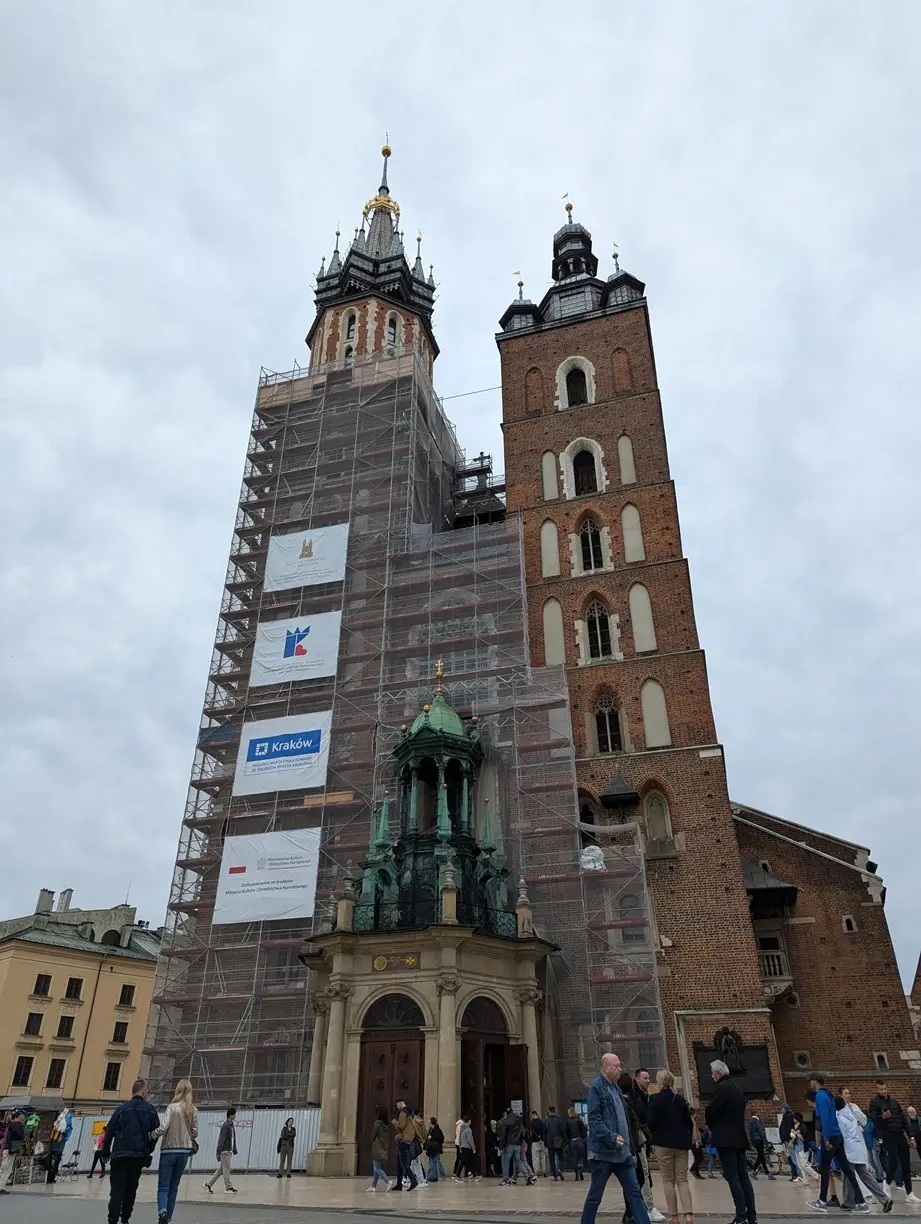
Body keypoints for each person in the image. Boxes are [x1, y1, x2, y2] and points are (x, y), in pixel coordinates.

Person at [580, 1052, 651, 1224]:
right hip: (604, 1153)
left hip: (623, 1153)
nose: (620, 1069)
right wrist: (610, 1137)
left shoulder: (616, 1088)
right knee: (595, 1196)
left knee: (635, 1192)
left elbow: (624, 1119)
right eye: (616, 1065)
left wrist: (630, 1147)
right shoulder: (596, 1088)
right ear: (606, 1067)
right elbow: (594, 1120)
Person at [705, 1059, 758, 1224]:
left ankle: (741, 1216)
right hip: (739, 1138)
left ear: (718, 1073)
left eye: (713, 1073)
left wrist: (713, 1126)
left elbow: (710, 1110)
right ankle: (752, 1216)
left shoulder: (721, 1088)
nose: (712, 1076)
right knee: (744, 1178)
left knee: (732, 1178)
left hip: (726, 1140)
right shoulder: (736, 1087)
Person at [102, 1077, 160, 1224]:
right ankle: (125, 1219)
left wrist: (106, 1151)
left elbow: (109, 1132)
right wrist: (149, 1148)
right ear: (144, 1092)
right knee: (131, 1189)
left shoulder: (121, 1109)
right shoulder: (150, 1110)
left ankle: (112, 1219)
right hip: (137, 1156)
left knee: (116, 1190)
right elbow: (156, 1133)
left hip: (119, 1155)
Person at [807, 1073, 868, 1213]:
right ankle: (861, 1202)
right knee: (847, 1170)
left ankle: (822, 1201)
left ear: (815, 1082)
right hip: (838, 1136)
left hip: (831, 1137)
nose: (810, 1083)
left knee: (824, 1168)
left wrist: (826, 1138)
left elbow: (825, 1118)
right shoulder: (829, 1095)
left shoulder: (820, 1096)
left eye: (811, 1081)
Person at [648, 1068, 695, 1224]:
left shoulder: (654, 1099)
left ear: (660, 1082)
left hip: (663, 1144)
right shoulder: (680, 1099)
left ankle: (673, 1217)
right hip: (681, 1144)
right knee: (682, 1179)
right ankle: (688, 1215)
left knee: (668, 1181)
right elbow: (688, 1122)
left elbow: (651, 1123)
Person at [836, 1090, 891, 1212]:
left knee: (851, 1175)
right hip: (855, 1147)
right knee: (859, 1175)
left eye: (849, 1093)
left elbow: (864, 1121)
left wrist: (853, 1109)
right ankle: (883, 1199)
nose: (849, 1094)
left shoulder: (852, 1108)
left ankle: (851, 1202)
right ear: (840, 1096)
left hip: (852, 1148)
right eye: (846, 1093)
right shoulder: (838, 1112)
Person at [153, 1078, 198, 1223]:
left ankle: (162, 1212)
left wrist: (152, 1134)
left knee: (163, 1186)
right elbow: (195, 1132)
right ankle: (168, 1217)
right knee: (174, 1187)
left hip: (169, 1150)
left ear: (177, 1090)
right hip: (184, 1151)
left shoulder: (172, 1107)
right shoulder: (193, 1110)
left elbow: (164, 1127)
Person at [869, 1080, 920, 1203]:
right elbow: (874, 1120)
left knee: (906, 1164)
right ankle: (887, 1183)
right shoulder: (874, 1102)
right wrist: (882, 1117)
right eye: (881, 1089)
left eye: (885, 1089)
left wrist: (911, 1137)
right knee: (893, 1162)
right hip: (887, 1135)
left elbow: (904, 1121)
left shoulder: (894, 1103)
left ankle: (909, 1193)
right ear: (877, 1090)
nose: (884, 1091)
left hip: (900, 1135)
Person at [630, 1068, 666, 1223]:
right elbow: (641, 1121)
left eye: (648, 1078)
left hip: (643, 1139)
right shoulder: (635, 1097)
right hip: (638, 1140)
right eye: (645, 1078)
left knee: (642, 1174)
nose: (648, 1080)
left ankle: (638, 1208)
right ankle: (648, 1208)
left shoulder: (643, 1096)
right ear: (637, 1079)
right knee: (643, 1173)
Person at [497, 1106, 535, 1185]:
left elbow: (503, 1135)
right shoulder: (518, 1121)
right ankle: (526, 1175)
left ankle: (505, 1180)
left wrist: (501, 1146)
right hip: (517, 1144)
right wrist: (520, 1141)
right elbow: (522, 1133)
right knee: (519, 1161)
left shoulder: (505, 1122)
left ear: (507, 1114)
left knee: (505, 1162)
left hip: (509, 1144)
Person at [203, 1106, 238, 1194]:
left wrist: (234, 1149)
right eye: (234, 1114)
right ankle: (228, 1187)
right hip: (225, 1151)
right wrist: (218, 1152)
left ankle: (208, 1185)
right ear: (231, 1115)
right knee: (226, 1169)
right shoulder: (226, 1126)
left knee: (221, 1170)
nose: (235, 1116)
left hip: (228, 1150)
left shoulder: (230, 1125)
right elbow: (221, 1139)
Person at [391, 1099, 418, 1191]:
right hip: (409, 1139)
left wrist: (395, 1123)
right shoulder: (410, 1113)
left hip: (404, 1139)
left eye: (397, 1105)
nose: (397, 1107)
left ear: (400, 1104)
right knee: (399, 1163)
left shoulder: (403, 1113)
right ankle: (399, 1184)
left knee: (403, 1163)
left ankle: (413, 1181)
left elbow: (401, 1126)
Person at [367, 1107, 393, 1192]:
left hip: (377, 1147)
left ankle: (388, 1181)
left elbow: (373, 1135)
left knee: (376, 1168)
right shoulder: (386, 1125)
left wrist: (372, 1138)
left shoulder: (377, 1123)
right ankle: (373, 1186)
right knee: (377, 1167)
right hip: (383, 1147)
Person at [0, 1110, 25, 1195]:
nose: (24, 1116)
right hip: (10, 1149)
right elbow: (15, 1138)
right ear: (18, 1116)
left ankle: (1, 1186)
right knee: (6, 1169)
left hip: (8, 1149)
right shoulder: (17, 1126)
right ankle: (1, 1187)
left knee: (4, 1168)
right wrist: (13, 1149)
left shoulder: (11, 1125)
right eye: (22, 1114)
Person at [46, 1106, 73, 1183]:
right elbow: (68, 1129)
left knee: (53, 1160)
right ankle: (51, 1176)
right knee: (56, 1161)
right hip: (58, 1147)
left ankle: (50, 1176)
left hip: (55, 1146)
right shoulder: (65, 1119)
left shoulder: (61, 1118)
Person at [747, 1115, 774, 1180]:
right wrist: (765, 1141)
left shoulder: (750, 1123)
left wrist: (752, 1142)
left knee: (761, 1157)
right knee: (760, 1156)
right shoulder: (757, 1122)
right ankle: (753, 1170)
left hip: (755, 1141)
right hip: (759, 1140)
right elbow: (761, 1132)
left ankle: (768, 1174)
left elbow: (750, 1133)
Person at [568, 1106, 588, 1180]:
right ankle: (580, 1166)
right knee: (581, 1156)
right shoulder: (579, 1121)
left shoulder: (568, 1121)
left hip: (572, 1141)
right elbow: (583, 1131)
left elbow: (566, 1132)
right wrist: (583, 1137)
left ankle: (576, 1175)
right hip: (579, 1140)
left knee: (574, 1157)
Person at [458, 1114, 480, 1180]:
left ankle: (475, 1174)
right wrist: (473, 1148)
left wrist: (460, 1147)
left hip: (463, 1147)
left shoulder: (462, 1129)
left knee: (470, 1162)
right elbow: (470, 1140)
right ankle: (457, 1175)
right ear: (469, 1121)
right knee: (465, 1161)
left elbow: (459, 1139)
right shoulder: (468, 1130)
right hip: (467, 1147)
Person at [547, 1106, 567, 1180]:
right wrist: (565, 1140)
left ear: (549, 1111)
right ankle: (560, 1169)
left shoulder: (547, 1121)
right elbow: (563, 1131)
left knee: (551, 1159)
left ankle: (555, 1175)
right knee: (561, 1157)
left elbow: (544, 1132)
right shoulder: (559, 1120)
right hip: (558, 1141)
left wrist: (545, 1142)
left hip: (550, 1143)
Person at [426, 1117, 446, 1181]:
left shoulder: (435, 1130)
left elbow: (439, 1138)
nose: (428, 1123)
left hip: (434, 1148)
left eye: (429, 1122)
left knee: (433, 1162)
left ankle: (433, 1176)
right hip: (434, 1148)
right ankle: (433, 1176)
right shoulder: (432, 1129)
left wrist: (431, 1138)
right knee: (433, 1162)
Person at [411, 1110, 427, 1187]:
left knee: (416, 1162)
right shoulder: (422, 1122)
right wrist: (423, 1140)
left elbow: (414, 1132)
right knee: (414, 1162)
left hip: (415, 1143)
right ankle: (411, 1179)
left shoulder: (413, 1122)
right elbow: (425, 1132)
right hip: (420, 1143)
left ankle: (421, 1180)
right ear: (419, 1113)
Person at [531, 1110, 549, 1177]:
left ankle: (537, 1171)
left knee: (536, 1157)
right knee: (543, 1157)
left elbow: (533, 1131)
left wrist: (537, 1137)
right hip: (542, 1141)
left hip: (535, 1141)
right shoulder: (542, 1122)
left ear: (533, 1115)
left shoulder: (532, 1122)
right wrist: (542, 1138)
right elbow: (544, 1131)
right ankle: (544, 1171)